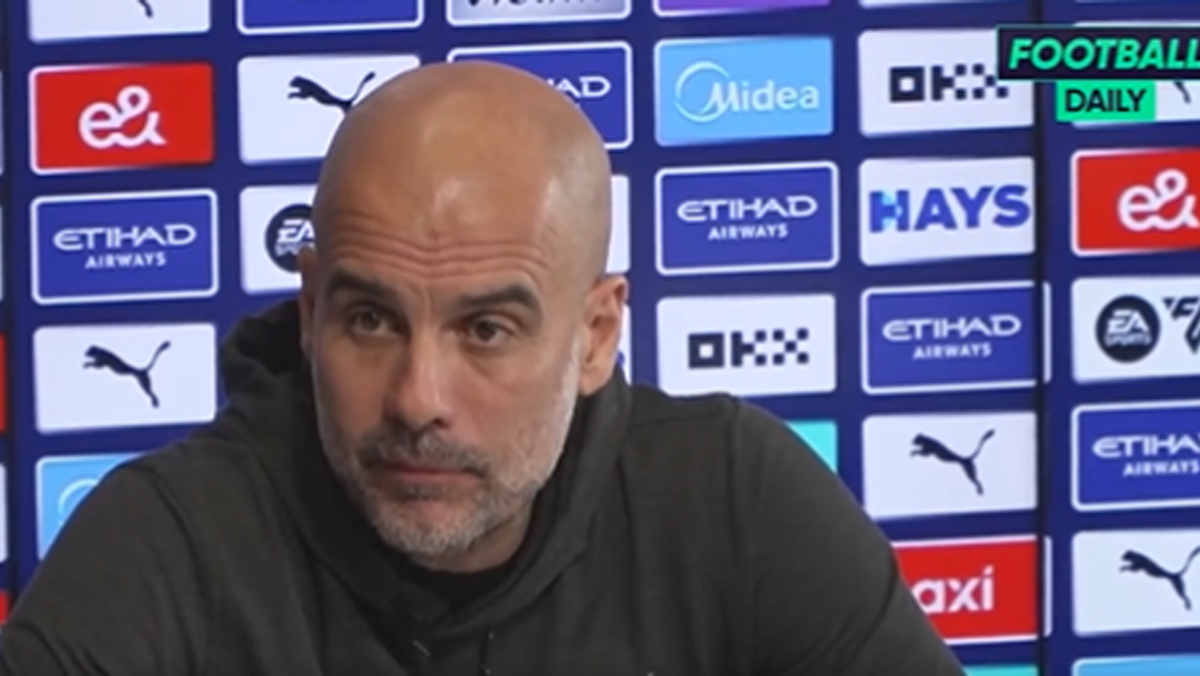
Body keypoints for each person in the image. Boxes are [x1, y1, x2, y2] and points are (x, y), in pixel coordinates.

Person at [0, 62, 965, 675]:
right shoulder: (168, 541)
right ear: (310, 312)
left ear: (595, 336)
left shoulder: (731, 497)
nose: (418, 399)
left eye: (487, 330)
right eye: (371, 320)